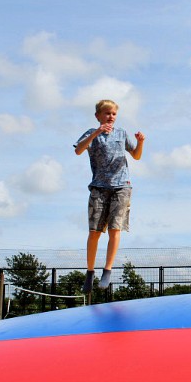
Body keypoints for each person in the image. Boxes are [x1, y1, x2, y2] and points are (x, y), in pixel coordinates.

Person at [74, 99, 145, 293]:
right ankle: (90, 272)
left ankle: (107, 269)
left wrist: (140, 143)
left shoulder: (122, 133)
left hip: (121, 186)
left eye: (113, 113)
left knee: (115, 229)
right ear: (98, 116)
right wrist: (95, 133)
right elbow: (78, 150)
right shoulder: (91, 133)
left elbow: (137, 156)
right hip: (99, 187)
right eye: (106, 113)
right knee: (94, 232)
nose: (110, 116)